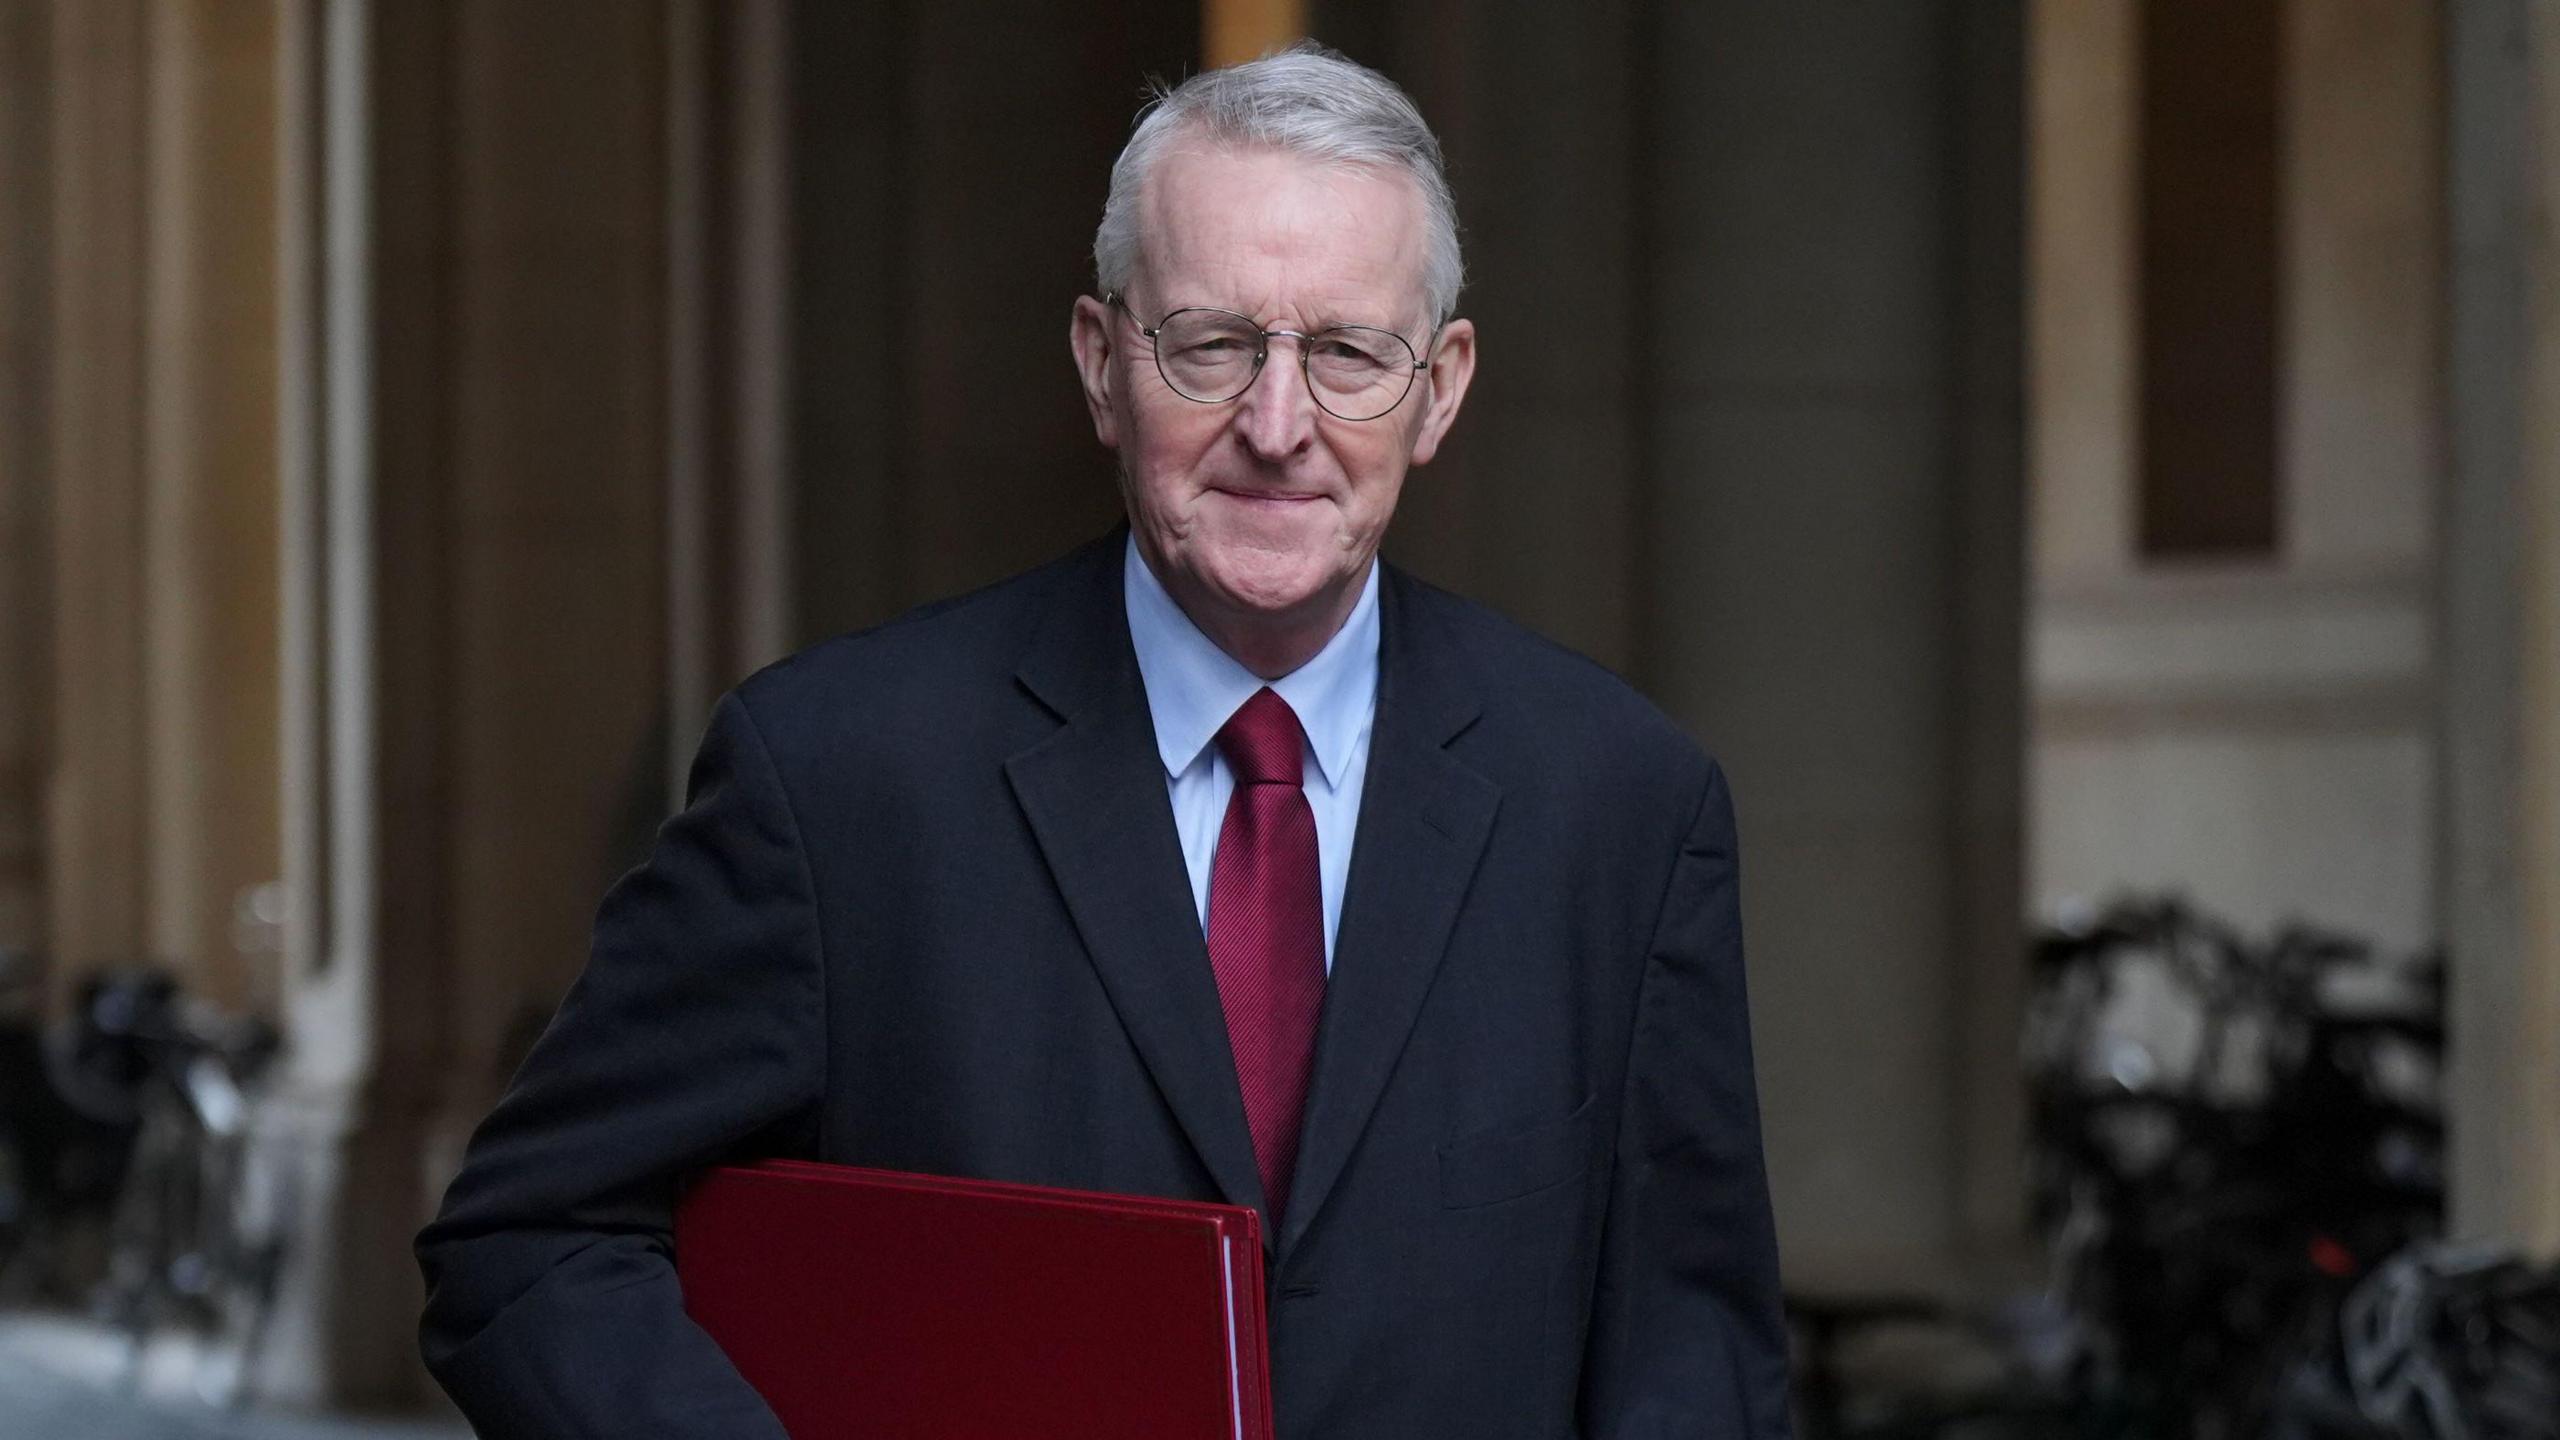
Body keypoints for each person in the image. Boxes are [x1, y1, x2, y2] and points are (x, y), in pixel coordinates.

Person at [417, 42, 1790, 1439]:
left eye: (1347, 354)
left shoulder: (1619, 806)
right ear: (1098, 364)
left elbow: (1693, 1361)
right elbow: (530, 1243)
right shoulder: (839, 782)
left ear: (1438, 389)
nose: (1276, 424)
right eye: (1209, 344)